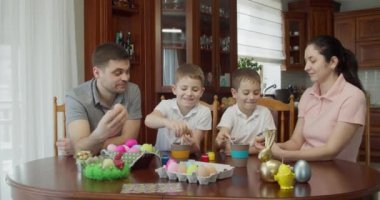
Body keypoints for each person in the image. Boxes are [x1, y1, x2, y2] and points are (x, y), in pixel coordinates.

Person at [256, 35, 366, 162]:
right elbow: (296, 143)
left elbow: (331, 151)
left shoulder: (353, 97)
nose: (306, 67)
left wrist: (283, 155)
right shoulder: (308, 94)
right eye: (306, 61)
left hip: (337, 173)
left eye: (312, 61)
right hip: (304, 168)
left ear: (332, 62)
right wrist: (269, 146)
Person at [58, 43, 142, 155]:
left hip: (121, 162)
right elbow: (81, 152)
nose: (126, 78)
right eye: (118, 73)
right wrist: (99, 134)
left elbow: (129, 140)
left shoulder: (133, 90)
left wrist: (85, 146)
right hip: (86, 166)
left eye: (127, 71)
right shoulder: (75, 97)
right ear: (97, 73)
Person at [144, 64, 211, 153]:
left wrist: (191, 143)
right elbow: (148, 120)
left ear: (201, 92)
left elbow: (196, 147)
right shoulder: (165, 105)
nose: (189, 93)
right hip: (162, 157)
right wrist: (167, 122)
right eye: (184, 88)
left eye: (195, 90)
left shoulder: (204, 112)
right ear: (174, 89)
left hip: (188, 158)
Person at [215, 68, 276, 155]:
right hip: (232, 160)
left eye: (256, 93)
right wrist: (220, 140)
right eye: (246, 93)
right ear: (234, 93)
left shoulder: (265, 113)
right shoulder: (230, 112)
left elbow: (270, 143)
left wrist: (242, 151)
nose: (251, 97)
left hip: (255, 159)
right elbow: (223, 137)